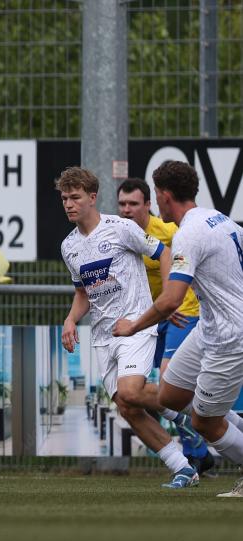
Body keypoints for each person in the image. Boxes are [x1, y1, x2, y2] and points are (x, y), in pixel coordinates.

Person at [57, 166, 196, 489]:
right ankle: (183, 467)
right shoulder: (69, 247)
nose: (68, 204)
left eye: (75, 197)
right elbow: (83, 293)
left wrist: (160, 303)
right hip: (105, 336)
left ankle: (191, 412)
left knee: (132, 391)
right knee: (126, 405)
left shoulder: (120, 228)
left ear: (92, 198)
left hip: (134, 325)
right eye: (64, 198)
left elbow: (164, 253)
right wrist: (70, 319)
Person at [113, 160, 243, 498]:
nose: (156, 203)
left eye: (155, 195)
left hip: (231, 336)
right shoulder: (220, 218)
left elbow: (171, 300)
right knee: (171, 394)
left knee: (204, 423)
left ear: (165, 195)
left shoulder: (188, 234)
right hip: (210, 328)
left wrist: (132, 327)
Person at [116, 178, 212, 474]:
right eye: (122, 204)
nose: (127, 210)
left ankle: (204, 436)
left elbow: (185, 266)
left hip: (181, 312)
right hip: (149, 319)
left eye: (134, 204)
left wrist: (172, 301)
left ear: (148, 205)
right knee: (141, 389)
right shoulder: (118, 234)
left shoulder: (168, 232)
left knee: (169, 382)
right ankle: (198, 451)